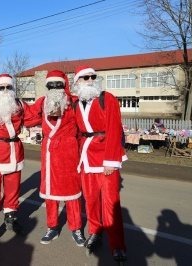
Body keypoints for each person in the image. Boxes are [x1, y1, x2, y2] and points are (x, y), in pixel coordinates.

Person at [72, 65, 128, 262]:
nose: (89, 80)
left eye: (92, 77)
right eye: (84, 77)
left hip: (106, 158)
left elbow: (114, 129)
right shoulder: (76, 104)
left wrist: (111, 161)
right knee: (91, 199)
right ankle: (95, 232)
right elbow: (77, 133)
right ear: (77, 81)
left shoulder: (107, 98)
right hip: (87, 158)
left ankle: (117, 244)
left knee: (111, 202)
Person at [0, 74, 40, 244]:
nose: (5, 90)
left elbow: (33, 117)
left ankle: (10, 218)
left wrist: (47, 107)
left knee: (13, 190)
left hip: (14, 152)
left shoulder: (19, 104)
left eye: (9, 87)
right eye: (1, 87)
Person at [28, 70, 84, 246]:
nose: (54, 88)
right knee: (50, 193)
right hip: (50, 153)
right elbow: (27, 118)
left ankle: (76, 228)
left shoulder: (73, 102)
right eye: (50, 85)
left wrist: (82, 151)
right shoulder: (42, 102)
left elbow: (83, 128)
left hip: (69, 152)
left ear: (64, 85)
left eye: (58, 84)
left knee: (72, 192)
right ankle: (52, 227)